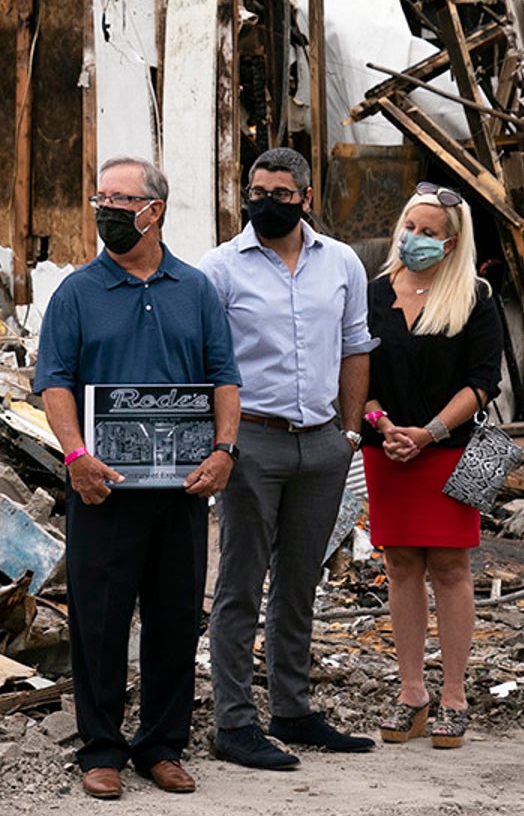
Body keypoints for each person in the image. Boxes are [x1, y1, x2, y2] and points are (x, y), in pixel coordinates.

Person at [34, 156, 241, 801]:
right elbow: (53, 383)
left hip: (181, 490)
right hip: (102, 487)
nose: (107, 211)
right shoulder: (75, 293)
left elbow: (224, 377)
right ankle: (100, 749)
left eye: (121, 200)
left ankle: (161, 746)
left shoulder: (196, 290)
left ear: (154, 210)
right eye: (100, 199)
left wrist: (225, 450)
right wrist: (75, 457)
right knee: (98, 618)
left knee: (175, 617)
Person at [200, 148, 378, 770]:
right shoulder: (220, 268)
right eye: (256, 191)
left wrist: (350, 434)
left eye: (280, 193)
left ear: (305, 197)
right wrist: (223, 443)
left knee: (300, 582)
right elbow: (209, 363)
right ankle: (234, 723)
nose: (266, 202)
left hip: (323, 443)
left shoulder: (344, 263)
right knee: (241, 584)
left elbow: (356, 345)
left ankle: (293, 711)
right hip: (253, 440)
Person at [360, 183, 503, 751]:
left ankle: (455, 696)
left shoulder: (475, 296)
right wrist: (382, 426)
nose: (413, 238)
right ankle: (412, 691)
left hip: (455, 450)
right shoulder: (373, 293)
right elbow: (356, 372)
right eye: (409, 228)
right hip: (388, 449)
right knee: (399, 566)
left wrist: (429, 433)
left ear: (452, 243)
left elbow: (483, 382)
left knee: (451, 566)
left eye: (427, 232)